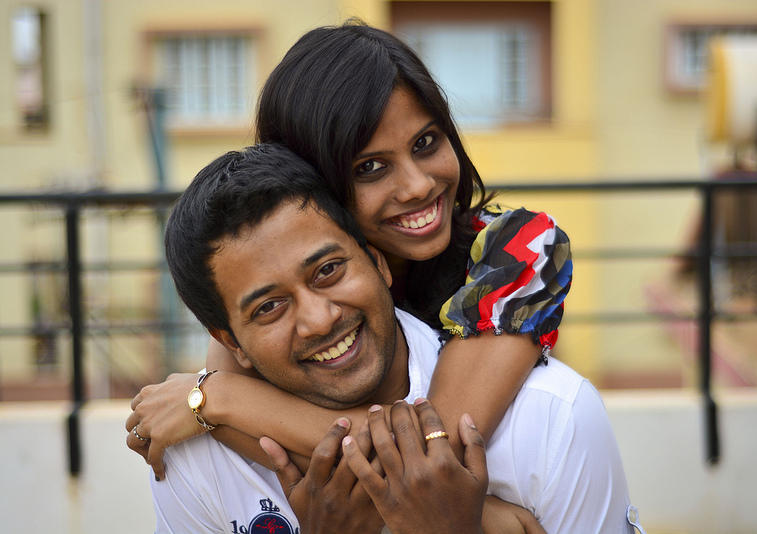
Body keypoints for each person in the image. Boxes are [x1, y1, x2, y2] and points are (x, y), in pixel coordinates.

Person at [128, 20, 572, 479]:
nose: (419, 185)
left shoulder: (521, 248)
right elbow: (269, 453)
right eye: (371, 167)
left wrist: (218, 401)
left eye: (426, 142)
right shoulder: (271, 298)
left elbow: (430, 457)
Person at [144, 143, 636, 533]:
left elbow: (427, 459)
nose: (317, 320)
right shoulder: (194, 456)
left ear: (378, 259)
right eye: (269, 307)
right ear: (230, 341)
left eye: (329, 270)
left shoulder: (551, 420)